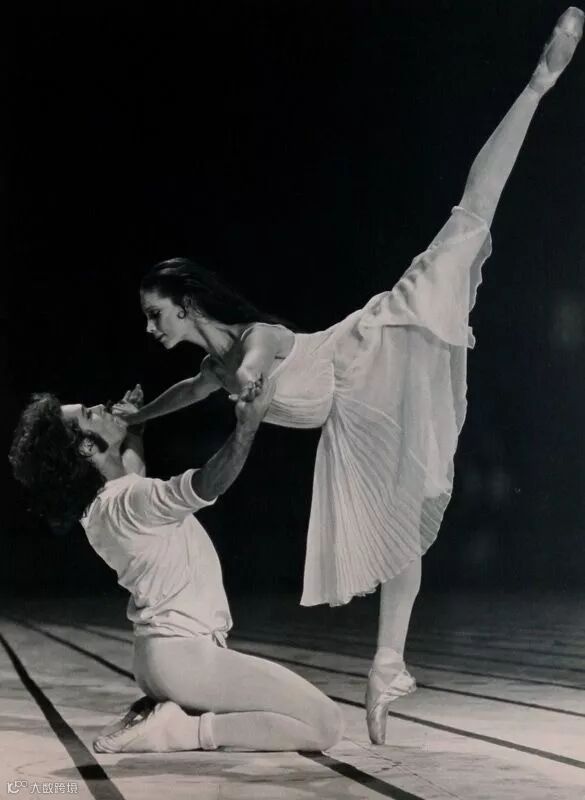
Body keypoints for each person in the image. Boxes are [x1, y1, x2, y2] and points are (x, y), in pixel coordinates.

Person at [114, 8, 584, 744]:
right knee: (404, 524)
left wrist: (248, 396)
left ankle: (538, 82)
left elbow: (255, 368)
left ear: (185, 303)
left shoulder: (259, 340)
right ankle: (387, 665)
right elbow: (192, 390)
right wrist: (135, 418)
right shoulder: (213, 366)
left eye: (154, 314)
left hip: (371, 347)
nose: (151, 328)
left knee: (466, 222)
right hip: (352, 412)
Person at [9, 379, 344, 753]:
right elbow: (208, 483)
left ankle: (167, 711)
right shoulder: (132, 502)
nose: (100, 407)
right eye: (90, 414)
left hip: (161, 663)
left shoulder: (102, 506)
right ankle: (181, 731)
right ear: (87, 447)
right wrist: (248, 423)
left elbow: (131, 467)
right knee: (324, 725)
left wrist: (134, 428)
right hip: (184, 660)